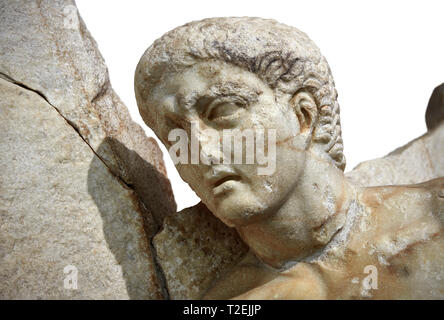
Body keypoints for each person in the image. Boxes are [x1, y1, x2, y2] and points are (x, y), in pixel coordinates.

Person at [135, 17, 444, 299]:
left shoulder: (435, 217)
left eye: (223, 112)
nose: (201, 152)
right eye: (176, 135)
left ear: (303, 115)